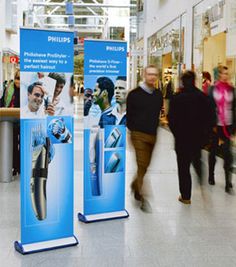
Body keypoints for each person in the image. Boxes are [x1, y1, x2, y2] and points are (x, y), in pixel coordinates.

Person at [168, 71, 215, 204]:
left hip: (182, 140)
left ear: (182, 81)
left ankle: (186, 196)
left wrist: (177, 134)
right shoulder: (202, 97)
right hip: (197, 139)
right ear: (194, 81)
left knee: (183, 168)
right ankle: (201, 181)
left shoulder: (177, 98)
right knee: (197, 160)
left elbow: (171, 120)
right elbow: (210, 118)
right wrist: (205, 136)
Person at [126, 64, 163, 212]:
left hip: (152, 135)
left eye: (155, 74)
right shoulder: (134, 94)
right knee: (141, 165)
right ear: (144, 75)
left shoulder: (158, 94)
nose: (152, 77)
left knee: (145, 166)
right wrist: (134, 130)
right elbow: (129, 116)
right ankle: (143, 197)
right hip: (138, 135)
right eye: (149, 74)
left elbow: (158, 113)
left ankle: (135, 185)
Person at [208, 65, 236, 193]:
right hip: (215, 125)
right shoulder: (213, 89)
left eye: (227, 73)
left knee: (228, 153)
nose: (226, 75)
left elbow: (234, 108)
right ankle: (211, 175)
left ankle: (228, 181)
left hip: (228, 125)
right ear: (219, 75)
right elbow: (209, 107)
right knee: (213, 151)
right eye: (223, 73)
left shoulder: (232, 90)